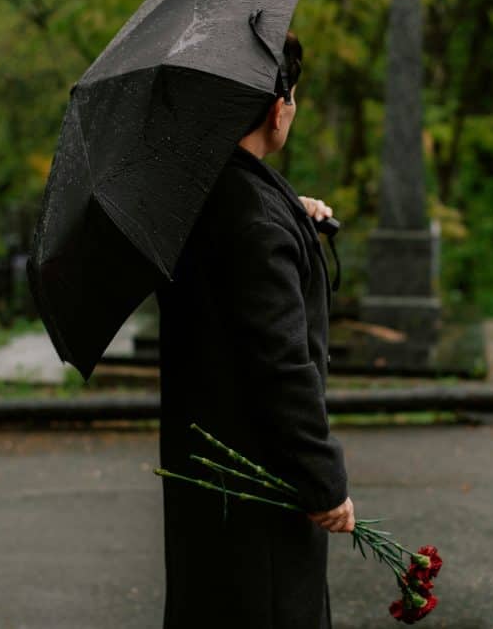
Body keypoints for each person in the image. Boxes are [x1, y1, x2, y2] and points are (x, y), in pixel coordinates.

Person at [156, 32, 352, 629]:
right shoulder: (253, 220)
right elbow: (281, 367)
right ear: (277, 105)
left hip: (209, 478)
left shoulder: (205, 192)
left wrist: (292, 212)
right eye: (293, 96)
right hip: (257, 483)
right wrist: (324, 480)